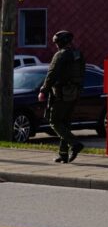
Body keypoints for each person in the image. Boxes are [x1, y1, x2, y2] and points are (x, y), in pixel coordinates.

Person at [38, 30, 85, 163]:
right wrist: (78, 90)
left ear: (61, 42)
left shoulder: (60, 55)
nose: (56, 46)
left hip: (61, 93)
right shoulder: (78, 54)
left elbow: (51, 74)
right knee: (65, 123)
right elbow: (82, 73)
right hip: (74, 93)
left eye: (57, 43)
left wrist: (43, 90)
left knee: (55, 121)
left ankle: (75, 144)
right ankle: (63, 154)